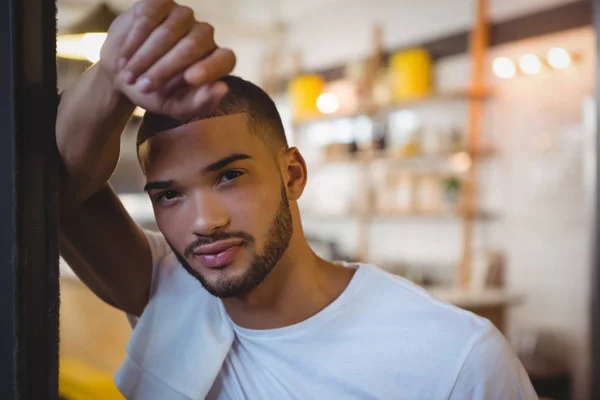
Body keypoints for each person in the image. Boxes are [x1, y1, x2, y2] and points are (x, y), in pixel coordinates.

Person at [57, 0, 538, 399]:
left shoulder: (456, 358)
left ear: (292, 174)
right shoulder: (167, 291)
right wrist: (110, 79)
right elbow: (51, 181)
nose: (205, 221)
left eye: (229, 175)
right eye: (170, 195)